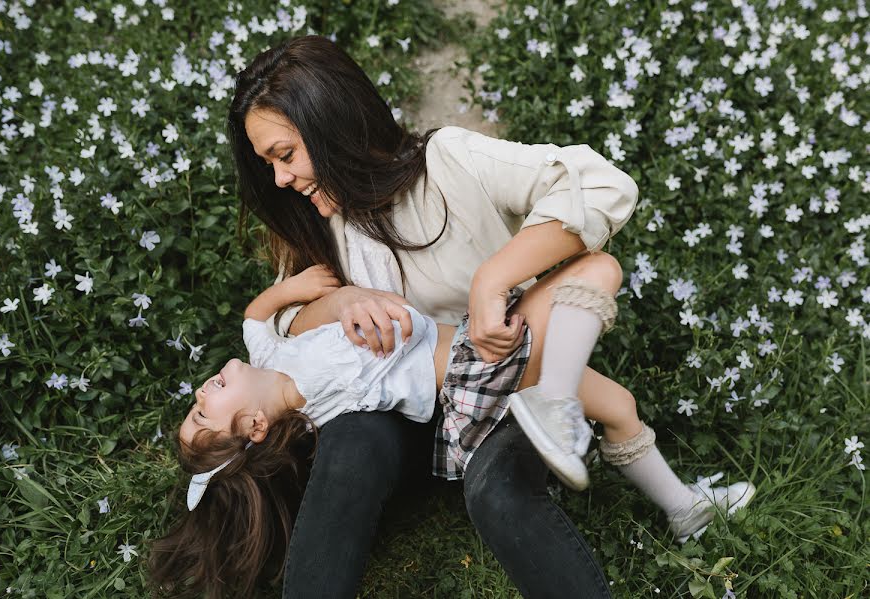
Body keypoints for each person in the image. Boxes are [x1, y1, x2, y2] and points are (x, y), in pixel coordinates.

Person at [210, 34, 752, 598]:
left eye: (285, 155)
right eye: (268, 163)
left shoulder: (447, 162)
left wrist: (494, 278)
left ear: (331, 123)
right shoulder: (313, 222)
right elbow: (277, 326)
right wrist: (337, 303)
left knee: (500, 491)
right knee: (351, 445)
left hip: (498, 379)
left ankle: (655, 498)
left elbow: (601, 185)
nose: (279, 180)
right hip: (399, 412)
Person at [149, 260, 755, 598]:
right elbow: (353, 457)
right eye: (204, 412)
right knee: (594, 273)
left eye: (196, 402)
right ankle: (556, 403)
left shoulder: (273, 353)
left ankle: (683, 508)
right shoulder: (324, 407)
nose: (201, 391)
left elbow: (256, 314)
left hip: (480, 353)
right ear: (256, 427)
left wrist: (298, 290)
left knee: (619, 403)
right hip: (470, 379)